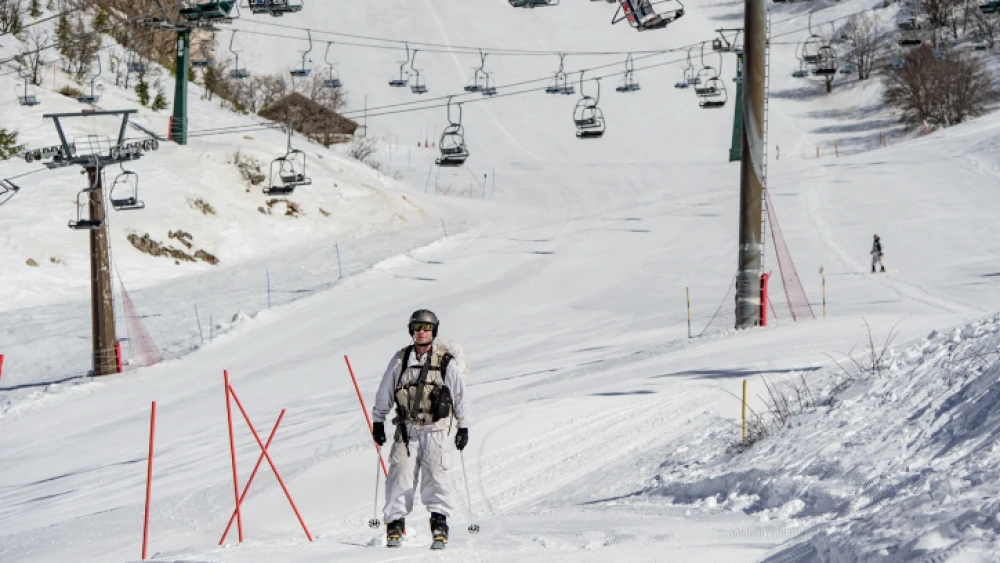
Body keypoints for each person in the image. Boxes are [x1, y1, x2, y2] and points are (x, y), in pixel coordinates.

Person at [371, 309, 471, 549]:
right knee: (400, 476)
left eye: (426, 328)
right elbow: (386, 389)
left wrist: (463, 426)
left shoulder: (444, 362)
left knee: (436, 476)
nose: (422, 332)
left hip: (436, 429)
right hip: (407, 429)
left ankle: (439, 524)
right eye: (417, 328)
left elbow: (459, 394)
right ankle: (395, 524)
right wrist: (378, 420)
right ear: (411, 331)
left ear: (433, 331)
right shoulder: (401, 359)